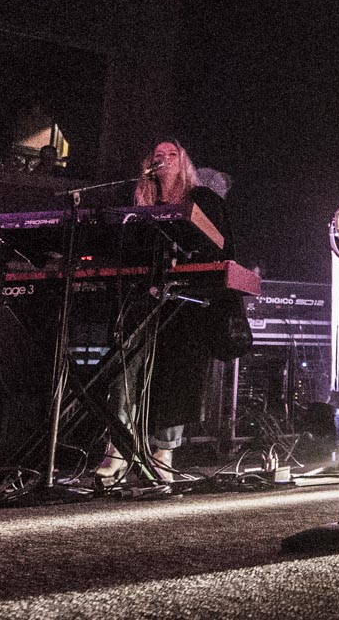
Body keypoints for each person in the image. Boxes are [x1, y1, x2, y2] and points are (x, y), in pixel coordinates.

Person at [94, 139, 235, 485]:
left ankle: (163, 452)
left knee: (175, 374)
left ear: (184, 162)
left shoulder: (203, 199)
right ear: (149, 165)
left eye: (173, 154)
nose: (166, 159)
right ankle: (118, 448)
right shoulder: (139, 204)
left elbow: (218, 245)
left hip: (184, 302)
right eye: (159, 156)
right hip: (142, 297)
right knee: (124, 369)